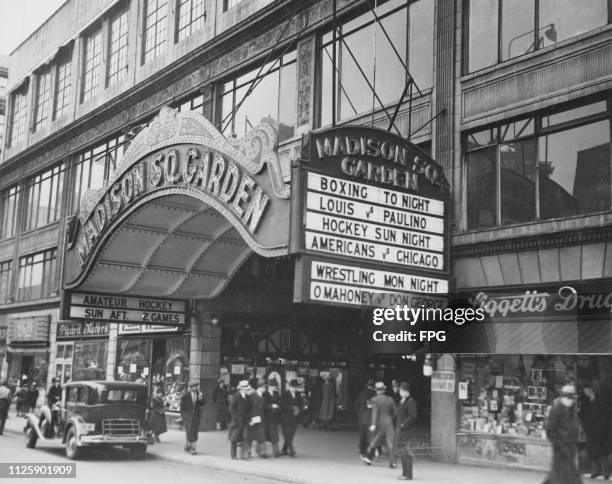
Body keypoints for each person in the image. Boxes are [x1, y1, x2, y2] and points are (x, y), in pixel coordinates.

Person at [543, 383, 582, 484]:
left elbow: (573, 427)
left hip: (569, 448)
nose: (572, 401)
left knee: (559, 476)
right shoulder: (556, 410)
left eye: (573, 399)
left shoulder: (570, 410)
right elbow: (550, 431)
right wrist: (560, 446)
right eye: (570, 398)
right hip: (561, 449)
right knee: (568, 477)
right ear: (565, 397)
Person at [579, 385, 609, 479]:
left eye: (587, 390)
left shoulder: (600, 401)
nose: (586, 393)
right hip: (590, 430)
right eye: (585, 391)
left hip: (600, 430)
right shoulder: (586, 402)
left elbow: (605, 415)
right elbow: (583, 414)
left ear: (592, 390)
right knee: (592, 452)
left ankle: (606, 472)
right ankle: (595, 471)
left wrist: (602, 427)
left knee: (603, 452)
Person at [364, 381, 397, 468]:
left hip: (379, 422)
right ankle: (392, 462)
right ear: (384, 390)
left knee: (375, 440)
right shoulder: (390, 399)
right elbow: (395, 412)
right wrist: (390, 418)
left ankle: (369, 458)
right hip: (389, 422)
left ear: (376, 390)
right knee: (390, 442)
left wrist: (373, 424)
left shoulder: (374, 400)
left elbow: (375, 412)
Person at [395, 382, 418, 480]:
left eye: (400, 391)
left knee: (406, 452)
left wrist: (403, 424)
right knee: (403, 451)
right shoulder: (403, 401)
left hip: (406, 430)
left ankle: (408, 474)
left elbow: (413, 416)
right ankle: (405, 473)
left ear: (406, 391)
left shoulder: (411, 402)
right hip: (402, 430)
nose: (399, 392)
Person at [179, 382, 206, 455]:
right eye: (193, 387)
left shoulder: (199, 394)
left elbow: (203, 403)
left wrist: (201, 398)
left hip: (196, 416)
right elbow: (182, 408)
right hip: (188, 417)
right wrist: (184, 417)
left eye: (196, 386)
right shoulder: (185, 396)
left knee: (194, 431)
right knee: (189, 431)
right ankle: (192, 448)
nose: (195, 388)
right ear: (190, 387)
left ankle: (189, 446)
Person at [280, 379, 303, 457]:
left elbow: (300, 404)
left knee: (291, 434)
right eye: (293, 387)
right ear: (289, 386)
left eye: (296, 387)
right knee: (288, 434)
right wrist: (292, 408)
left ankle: (284, 449)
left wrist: (299, 409)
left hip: (295, 418)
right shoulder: (284, 394)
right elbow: (282, 406)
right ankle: (292, 450)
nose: (294, 388)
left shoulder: (298, 394)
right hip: (285, 417)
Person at [228, 380, 251, 460]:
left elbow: (249, 409)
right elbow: (231, 408)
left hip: (245, 421)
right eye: (244, 389)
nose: (246, 390)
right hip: (237, 421)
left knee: (245, 437)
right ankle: (233, 455)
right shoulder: (236, 396)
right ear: (240, 389)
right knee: (234, 438)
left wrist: (249, 417)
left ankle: (244, 455)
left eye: (246, 389)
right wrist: (235, 417)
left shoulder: (248, 397)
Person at [355, 379, 376, 462]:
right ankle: (370, 452)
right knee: (370, 435)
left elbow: (356, 405)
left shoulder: (362, 393)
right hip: (370, 416)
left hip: (361, 415)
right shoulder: (375, 394)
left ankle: (362, 451)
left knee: (362, 434)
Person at [248, 381, 268, 458]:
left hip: (261, 418)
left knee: (261, 435)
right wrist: (251, 418)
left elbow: (264, 408)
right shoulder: (252, 396)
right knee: (252, 435)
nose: (265, 389)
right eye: (264, 387)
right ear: (260, 387)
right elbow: (250, 407)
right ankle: (250, 451)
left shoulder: (263, 397)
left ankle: (261, 451)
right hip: (254, 418)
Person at [264, 379, 282, 457]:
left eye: (276, 386)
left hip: (274, 417)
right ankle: (267, 451)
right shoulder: (265, 394)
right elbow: (263, 406)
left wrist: (278, 407)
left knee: (274, 434)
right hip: (267, 417)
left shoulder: (276, 394)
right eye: (274, 386)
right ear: (270, 387)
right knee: (267, 434)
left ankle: (276, 451)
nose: (275, 388)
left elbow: (279, 402)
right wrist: (271, 406)